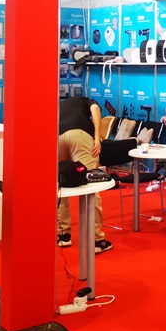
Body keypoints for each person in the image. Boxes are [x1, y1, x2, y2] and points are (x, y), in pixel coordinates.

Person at [57, 96, 112, 253]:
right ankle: (96, 240)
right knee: (91, 185)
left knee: (60, 185)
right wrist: (97, 137)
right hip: (79, 136)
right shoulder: (86, 100)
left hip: (58, 137)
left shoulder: (60, 106)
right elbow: (95, 110)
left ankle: (63, 235)